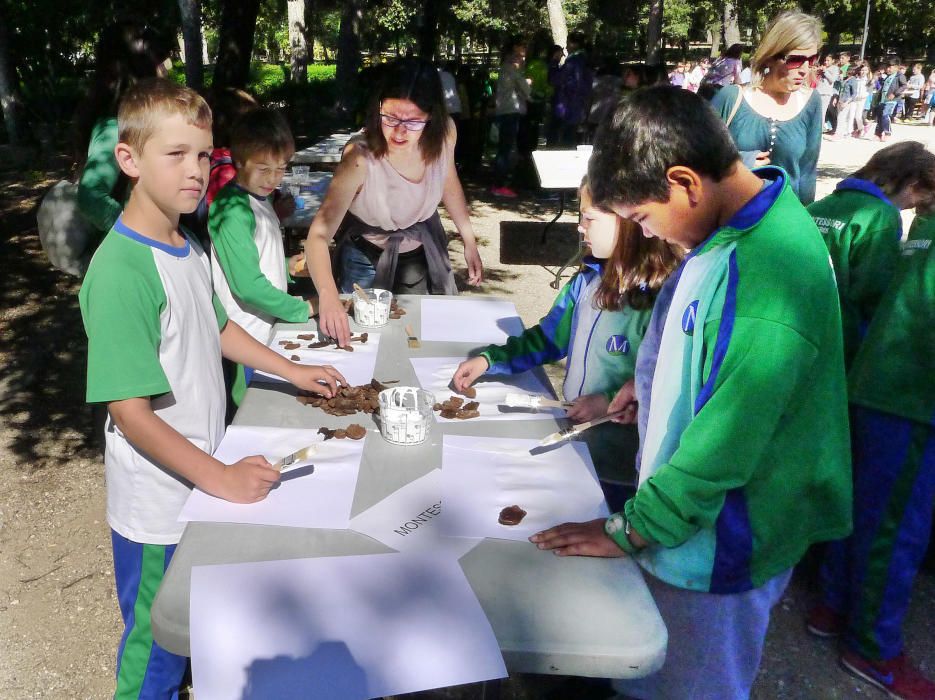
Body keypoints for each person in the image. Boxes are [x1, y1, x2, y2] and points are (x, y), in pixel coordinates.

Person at [530, 86, 851, 699]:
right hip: (684, 520)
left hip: (723, 539)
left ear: (685, 182)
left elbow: (724, 444)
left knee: (688, 682)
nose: (645, 233)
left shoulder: (769, 275)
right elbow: (702, 345)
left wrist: (626, 530)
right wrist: (647, 387)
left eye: (644, 218)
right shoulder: (726, 228)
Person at [78, 78, 346, 699]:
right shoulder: (121, 270)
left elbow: (217, 325)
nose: (196, 171)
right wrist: (220, 478)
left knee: (196, 620)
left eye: (202, 154)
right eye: (175, 155)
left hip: (197, 476)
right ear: (129, 159)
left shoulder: (184, 242)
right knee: (155, 643)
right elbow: (132, 413)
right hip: (157, 504)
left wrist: (294, 371)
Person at [451, 181, 682, 505]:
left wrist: (610, 400)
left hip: (626, 463)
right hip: (580, 440)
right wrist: (491, 359)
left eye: (589, 218)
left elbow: (668, 379)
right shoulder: (586, 281)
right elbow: (547, 339)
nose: (579, 226)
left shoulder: (660, 299)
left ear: (628, 223)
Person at [806, 208, 935, 700]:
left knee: (862, 507)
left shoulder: (925, 223)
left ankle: (833, 605)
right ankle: (872, 647)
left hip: (877, 385)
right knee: (897, 530)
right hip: (911, 398)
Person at [302, 57, 483, 347]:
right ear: (378, 109)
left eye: (412, 121)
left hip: (418, 251)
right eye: (390, 118)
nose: (399, 132)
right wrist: (328, 294)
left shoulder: (444, 133)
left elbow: (448, 183)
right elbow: (318, 236)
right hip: (364, 255)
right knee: (364, 341)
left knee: (413, 338)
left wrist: (469, 238)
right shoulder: (359, 156)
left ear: (432, 116)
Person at [209, 107, 315, 405]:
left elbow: (252, 259)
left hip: (267, 325)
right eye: (264, 169)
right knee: (253, 406)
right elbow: (247, 285)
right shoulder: (232, 210)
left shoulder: (258, 197)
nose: (273, 178)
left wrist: (286, 267)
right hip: (247, 332)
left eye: (281, 169)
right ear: (239, 160)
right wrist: (302, 308)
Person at [807, 141, 935, 367]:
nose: (913, 208)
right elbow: (874, 288)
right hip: (841, 337)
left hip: (803, 323)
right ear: (913, 185)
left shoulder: (819, 206)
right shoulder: (881, 217)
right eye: (920, 200)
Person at [75, 21, 171, 254]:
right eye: (159, 59)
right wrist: (139, 233)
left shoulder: (138, 120)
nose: (168, 66)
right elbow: (90, 197)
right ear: (138, 66)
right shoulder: (116, 126)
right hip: (131, 260)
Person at [711, 11, 824, 204]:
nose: (805, 69)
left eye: (812, 60)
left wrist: (806, 222)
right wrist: (739, 164)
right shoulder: (731, 98)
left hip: (785, 225)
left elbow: (807, 173)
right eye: (795, 60)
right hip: (733, 225)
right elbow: (695, 157)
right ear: (771, 56)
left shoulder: (811, 100)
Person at [492, 38, 532, 198]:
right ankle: (499, 184)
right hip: (510, 111)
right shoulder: (511, 69)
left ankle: (500, 183)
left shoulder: (505, 68)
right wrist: (528, 83)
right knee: (506, 149)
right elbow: (525, 89)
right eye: (520, 54)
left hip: (505, 110)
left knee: (505, 148)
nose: (522, 58)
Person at [549, 32, 592, 146]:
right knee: (572, 137)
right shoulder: (587, 60)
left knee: (564, 139)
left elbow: (557, 79)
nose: (566, 47)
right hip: (579, 105)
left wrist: (554, 63)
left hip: (567, 105)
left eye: (568, 43)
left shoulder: (573, 61)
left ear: (574, 44)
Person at [829, 63, 869, 140]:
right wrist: (836, 98)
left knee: (843, 117)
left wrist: (846, 102)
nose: (848, 71)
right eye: (848, 69)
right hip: (840, 100)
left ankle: (839, 133)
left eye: (851, 70)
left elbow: (854, 94)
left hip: (847, 102)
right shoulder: (846, 78)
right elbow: (841, 89)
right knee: (840, 117)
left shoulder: (854, 80)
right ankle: (841, 132)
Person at [875, 58, 908, 142]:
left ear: (896, 67)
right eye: (887, 67)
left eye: (890, 67)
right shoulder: (888, 77)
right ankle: (878, 133)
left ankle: (887, 133)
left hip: (892, 100)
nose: (888, 69)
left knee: (886, 115)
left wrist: (895, 93)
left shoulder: (899, 76)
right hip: (883, 99)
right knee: (880, 116)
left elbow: (904, 86)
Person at [817, 53, 841, 131]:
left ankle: (820, 129)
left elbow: (832, 79)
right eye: (825, 60)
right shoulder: (823, 67)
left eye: (828, 60)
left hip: (826, 93)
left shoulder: (835, 68)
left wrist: (825, 72)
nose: (826, 62)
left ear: (833, 61)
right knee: (816, 111)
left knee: (822, 112)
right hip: (818, 91)